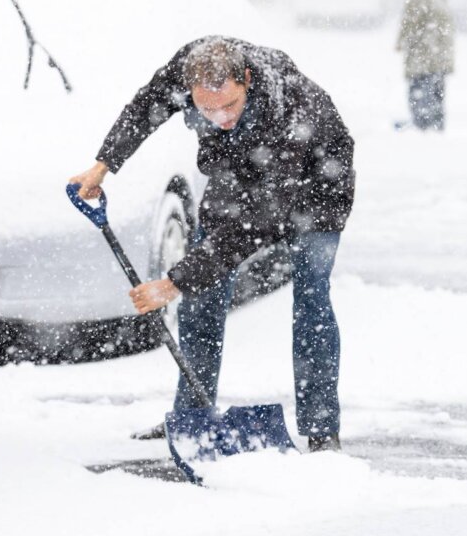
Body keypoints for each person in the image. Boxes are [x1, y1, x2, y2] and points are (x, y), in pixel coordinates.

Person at [68, 36, 355, 452]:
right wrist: (104, 164)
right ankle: (192, 416)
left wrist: (172, 282)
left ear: (248, 81)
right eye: (207, 109)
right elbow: (146, 108)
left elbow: (251, 227)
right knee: (201, 294)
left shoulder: (289, 113)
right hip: (238, 171)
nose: (220, 117)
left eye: (230, 106)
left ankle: (321, 429)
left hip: (317, 185)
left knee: (311, 298)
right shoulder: (188, 66)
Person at [396, 0, 455, 131]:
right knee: (436, 96)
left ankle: (422, 128)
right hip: (439, 59)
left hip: (424, 59)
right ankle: (436, 127)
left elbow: (409, 26)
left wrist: (400, 42)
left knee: (420, 96)